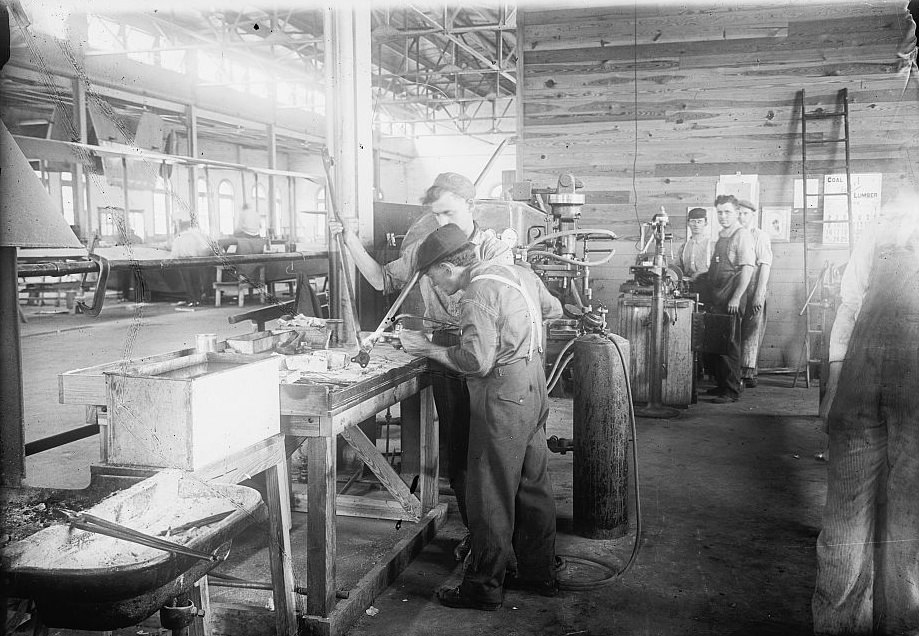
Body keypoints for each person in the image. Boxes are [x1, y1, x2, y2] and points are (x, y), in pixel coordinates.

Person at [330, 172, 510, 560]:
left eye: (448, 212)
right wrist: (350, 245)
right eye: (436, 214)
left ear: (472, 206)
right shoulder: (427, 247)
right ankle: (478, 538)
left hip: (488, 359)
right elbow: (382, 280)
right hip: (445, 354)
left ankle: (499, 542)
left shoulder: (494, 250)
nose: (441, 222)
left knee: (494, 455)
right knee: (460, 457)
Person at [398, 223, 563, 611]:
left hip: (502, 394)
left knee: (489, 491)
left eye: (433, 277)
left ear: (445, 267)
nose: (436, 286)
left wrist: (427, 347)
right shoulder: (519, 272)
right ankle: (539, 574)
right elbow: (551, 310)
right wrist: (509, 331)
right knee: (532, 483)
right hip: (533, 382)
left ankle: (482, 588)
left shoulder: (476, 292)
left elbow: (476, 361)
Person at [812, 178, 919, 636]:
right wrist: (835, 382)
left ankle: (887, 625)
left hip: (897, 389)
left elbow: (852, 304)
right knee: (858, 516)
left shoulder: (889, 231)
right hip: (863, 382)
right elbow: (851, 303)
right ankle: (852, 625)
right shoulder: (880, 233)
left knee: (901, 515)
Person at [702, 194, 755, 403]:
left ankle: (732, 390)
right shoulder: (722, 235)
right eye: (720, 212)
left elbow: (747, 269)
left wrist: (736, 297)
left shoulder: (741, 235)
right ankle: (721, 385)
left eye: (727, 212)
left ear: (736, 213)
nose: (723, 216)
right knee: (717, 344)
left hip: (730, 298)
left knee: (730, 345)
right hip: (717, 297)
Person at [736, 199, 772, 388]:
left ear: (752, 215)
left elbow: (765, 265)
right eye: (739, 213)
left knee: (752, 330)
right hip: (737, 288)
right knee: (737, 330)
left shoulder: (760, 236)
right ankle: (735, 372)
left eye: (745, 213)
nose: (741, 217)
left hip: (754, 286)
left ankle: (748, 373)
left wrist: (759, 292)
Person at [170, 219, 214, 306]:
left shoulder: (179, 237)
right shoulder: (196, 236)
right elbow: (203, 249)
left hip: (183, 261)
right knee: (196, 280)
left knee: (187, 282)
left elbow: (174, 253)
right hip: (195, 261)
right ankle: (198, 299)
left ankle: (191, 300)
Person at [675, 207, 713, 286]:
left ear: (705, 223)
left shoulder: (712, 246)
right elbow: (678, 269)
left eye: (700, 221)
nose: (696, 225)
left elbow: (718, 270)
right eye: (693, 221)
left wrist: (701, 273)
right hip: (688, 287)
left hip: (708, 287)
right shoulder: (683, 247)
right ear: (688, 223)